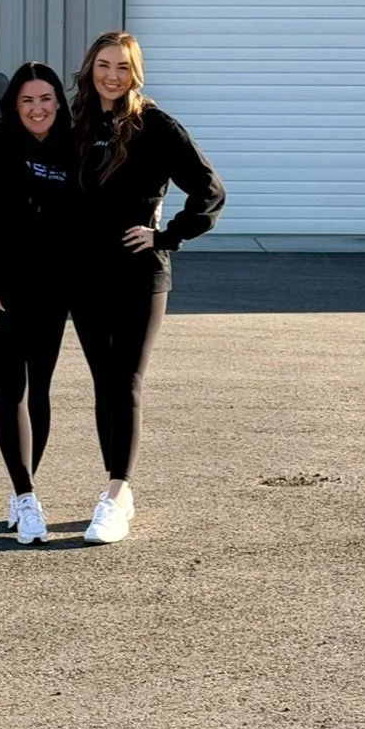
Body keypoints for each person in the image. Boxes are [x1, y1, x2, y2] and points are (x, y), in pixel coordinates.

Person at [68, 30, 224, 544]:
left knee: (126, 381)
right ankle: (119, 486)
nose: (113, 75)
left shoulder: (155, 125)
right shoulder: (79, 123)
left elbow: (209, 189)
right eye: (104, 65)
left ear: (136, 73)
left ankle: (114, 496)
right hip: (85, 275)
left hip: (139, 273)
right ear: (91, 68)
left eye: (123, 67)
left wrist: (167, 235)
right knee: (103, 384)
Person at [0, 61, 78, 545]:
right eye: (27, 101)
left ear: (58, 102)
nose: (38, 108)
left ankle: (23, 488)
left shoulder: (73, 147)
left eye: (46, 99)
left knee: (40, 390)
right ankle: (26, 497)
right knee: (12, 390)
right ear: (13, 106)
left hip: (51, 290)